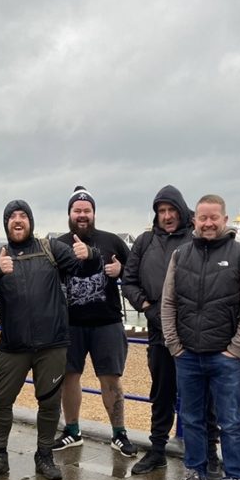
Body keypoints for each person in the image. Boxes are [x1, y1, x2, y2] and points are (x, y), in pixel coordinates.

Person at [0, 200, 101, 480]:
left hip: (52, 345)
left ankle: (44, 454)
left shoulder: (50, 248)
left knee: (49, 402)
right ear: (6, 223)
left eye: (23, 216)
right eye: (12, 217)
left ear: (31, 221)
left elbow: (83, 272)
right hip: (12, 346)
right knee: (1, 400)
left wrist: (90, 254)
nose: (17, 221)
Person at [161, 195, 240, 480]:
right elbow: (169, 303)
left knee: (231, 422)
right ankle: (196, 474)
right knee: (191, 418)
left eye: (213, 218)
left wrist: (236, 349)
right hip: (188, 354)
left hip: (224, 357)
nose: (207, 223)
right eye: (202, 218)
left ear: (225, 219)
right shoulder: (181, 255)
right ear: (194, 220)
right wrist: (174, 344)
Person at [122, 185, 223, 480]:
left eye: (171, 210)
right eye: (161, 211)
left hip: (195, 331)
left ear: (182, 210)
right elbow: (129, 281)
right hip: (158, 331)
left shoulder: (196, 239)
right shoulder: (145, 241)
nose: (166, 216)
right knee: (162, 392)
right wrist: (146, 306)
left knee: (204, 396)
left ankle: (210, 454)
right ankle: (157, 449)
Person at [52, 186, 136, 458]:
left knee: (110, 379)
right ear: (69, 214)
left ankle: (119, 434)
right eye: (77, 210)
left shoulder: (112, 241)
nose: (82, 214)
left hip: (107, 321)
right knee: (69, 378)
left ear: (94, 213)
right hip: (70, 323)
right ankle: (72, 431)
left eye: (87, 210)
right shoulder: (58, 244)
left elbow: (136, 271)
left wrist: (121, 270)